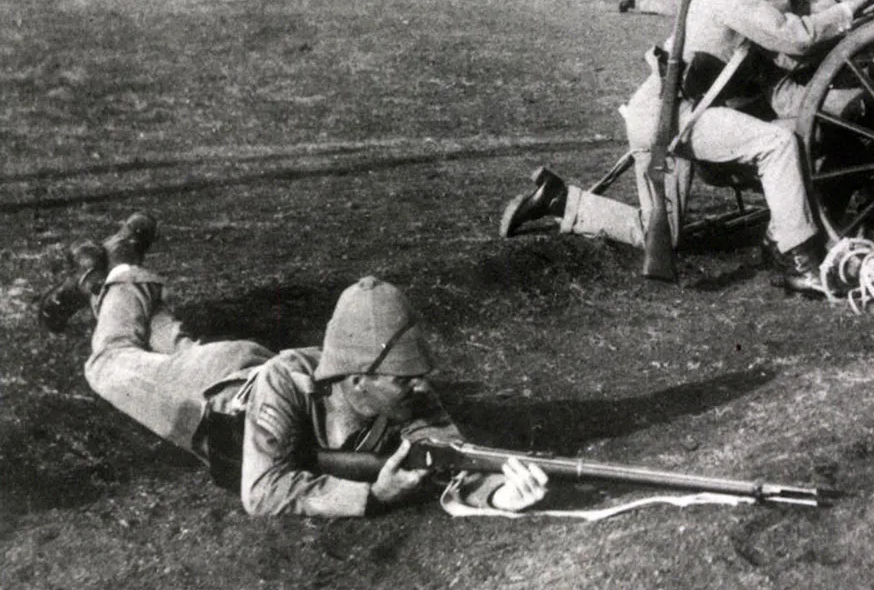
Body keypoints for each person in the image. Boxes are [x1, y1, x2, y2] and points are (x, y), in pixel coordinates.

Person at [35, 213, 550, 517]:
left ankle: (99, 279)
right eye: (402, 377)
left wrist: (502, 492)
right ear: (355, 376)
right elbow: (262, 492)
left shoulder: (407, 390)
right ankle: (120, 262)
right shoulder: (291, 382)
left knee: (164, 338)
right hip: (204, 397)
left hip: (247, 366)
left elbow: (448, 457)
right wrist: (372, 496)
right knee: (109, 364)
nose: (420, 386)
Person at [501, 0, 874, 291]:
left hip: (679, 110)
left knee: (660, 234)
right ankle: (797, 260)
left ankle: (560, 201)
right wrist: (852, 6)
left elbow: (775, 63)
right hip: (670, 117)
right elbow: (794, 37)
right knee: (777, 144)